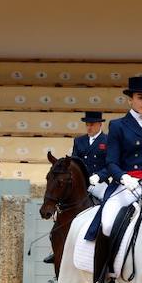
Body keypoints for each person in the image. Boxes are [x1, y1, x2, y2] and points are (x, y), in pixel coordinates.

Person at [84, 76, 142, 283]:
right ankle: (99, 282)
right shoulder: (118, 126)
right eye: (140, 97)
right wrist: (124, 178)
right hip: (126, 183)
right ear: (130, 99)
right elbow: (111, 161)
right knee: (108, 222)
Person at [42, 111, 111, 264]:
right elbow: (73, 163)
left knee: (107, 206)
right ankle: (57, 247)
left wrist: (98, 177)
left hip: (99, 182)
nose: (89, 127)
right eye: (87, 124)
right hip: (82, 183)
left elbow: (110, 165)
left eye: (92, 124)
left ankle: (105, 243)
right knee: (61, 209)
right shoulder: (79, 141)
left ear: (100, 124)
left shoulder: (107, 141)